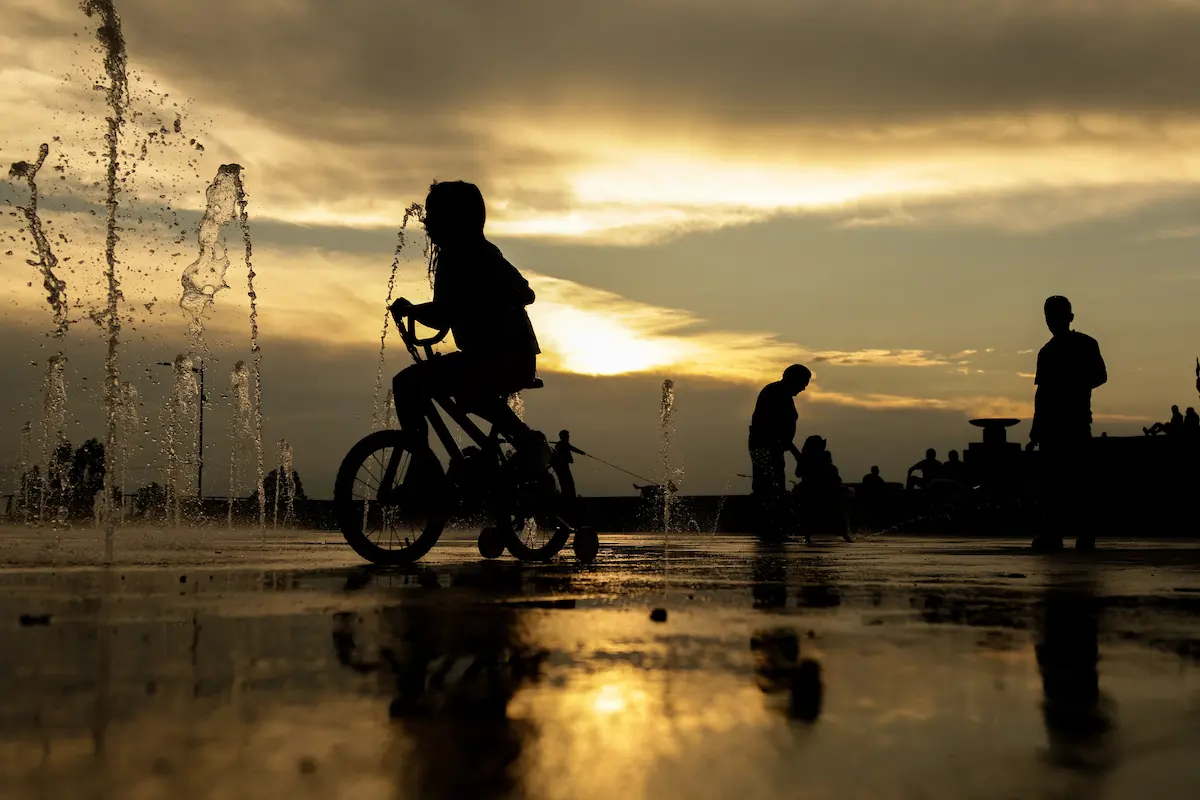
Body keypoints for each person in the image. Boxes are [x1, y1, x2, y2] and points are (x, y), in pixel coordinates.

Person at [390, 181, 548, 474]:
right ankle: (519, 447)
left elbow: (442, 315)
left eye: (434, 215)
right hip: (503, 357)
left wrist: (409, 310)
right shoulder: (475, 253)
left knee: (409, 384)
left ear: (454, 219)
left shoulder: (466, 256)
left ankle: (421, 462)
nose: (427, 222)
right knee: (467, 392)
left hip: (501, 358)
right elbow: (447, 312)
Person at [1027, 295, 1107, 551]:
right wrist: (1036, 428)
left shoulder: (1085, 345)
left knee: (1079, 483)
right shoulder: (1047, 352)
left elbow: (1100, 376)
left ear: (1070, 317)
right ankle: (1053, 534)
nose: (1052, 322)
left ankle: (1083, 535)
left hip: (1075, 423)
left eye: (1057, 316)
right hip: (1053, 428)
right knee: (1052, 486)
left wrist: (1072, 386)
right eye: (1049, 317)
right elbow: (1041, 393)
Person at [748, 365, 812, 499]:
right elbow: (774, 431)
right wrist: (795, 453)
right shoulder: (774, 394)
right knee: (768, 487)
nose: (804, 388)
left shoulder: (781, 394)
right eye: (803, 383)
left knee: (773, 484)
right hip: (766, 447)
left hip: (771, 448)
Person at [550, 430, 586, 499]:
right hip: (562, 467)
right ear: (563, 437)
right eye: (566, 436)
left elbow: (572, 448)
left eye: (568, 436)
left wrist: (581, 452)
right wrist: (580, 452)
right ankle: (568, 497)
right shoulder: (561, 445)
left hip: (564, 466)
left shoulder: (564, 444)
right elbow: (571, 449)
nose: (568, 437)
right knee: (567, 483)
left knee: (568, 482)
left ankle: (568, 496)